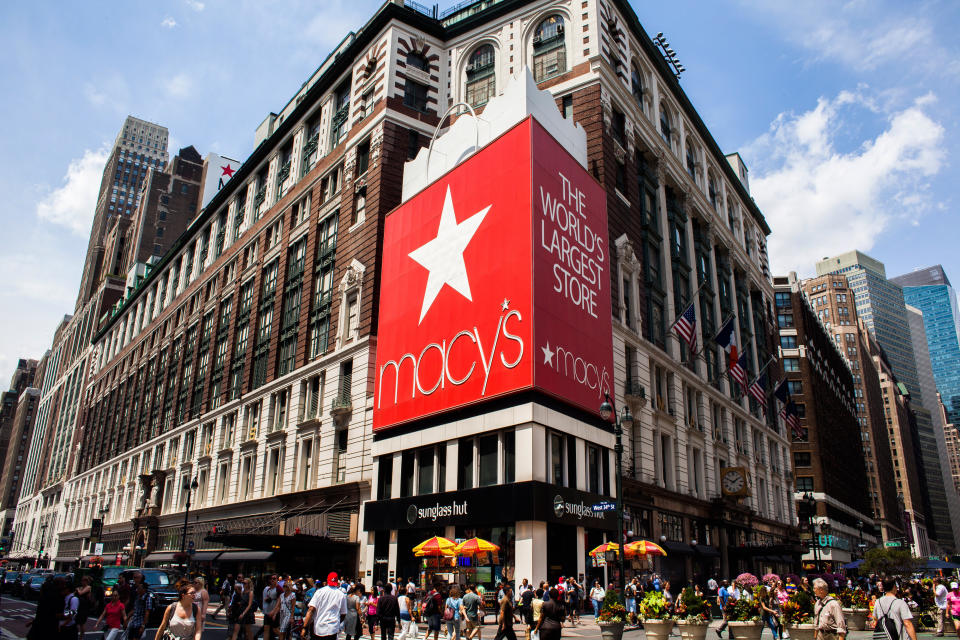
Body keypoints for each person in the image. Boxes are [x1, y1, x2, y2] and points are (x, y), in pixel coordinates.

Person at [302, 572, 348, 640]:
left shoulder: (319, 592)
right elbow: (343, 614)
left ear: (327, 580)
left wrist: (304, 627)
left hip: (319, 628)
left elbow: (311, 610)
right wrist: (337, 622)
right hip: (333, 629)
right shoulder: (341, 595)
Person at [264, 575, 282, 640]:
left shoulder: (279, 589)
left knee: (275, 629)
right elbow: (270, 598)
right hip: (268, 611)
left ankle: (282, 637)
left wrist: (274, 612)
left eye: (274, 579)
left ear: (277, 579)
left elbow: (279, 602)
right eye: (271, 579)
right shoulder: (269, 588)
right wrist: (268, 599)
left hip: (275, 611)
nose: (272, 580)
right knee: (266, 628)